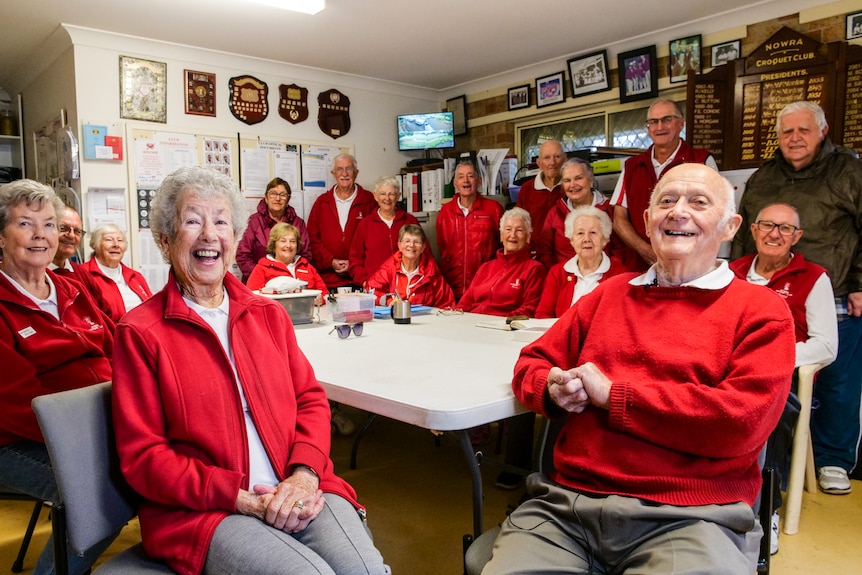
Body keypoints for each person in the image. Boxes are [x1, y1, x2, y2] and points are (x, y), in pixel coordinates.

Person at [482, 164, 796, 575]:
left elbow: (741, 422)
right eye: (666, 201)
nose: (678, 212)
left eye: (698, 202)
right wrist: (550, 388)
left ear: (730, 226)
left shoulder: (762, 311)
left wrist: (614, 396)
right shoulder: (607, 296)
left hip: (693, 517)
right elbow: (531, 363)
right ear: (647, 222)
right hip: (568, 506)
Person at [112, 166, 388, 575]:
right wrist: (240, 497)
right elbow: (145, 458)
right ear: (165, 239)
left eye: (221, 221)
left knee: (365, 571)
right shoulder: (140, 332)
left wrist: (305, 475)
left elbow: (310, 400)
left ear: (236, 237)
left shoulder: (268, 314)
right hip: (207, 512)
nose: (209, 234)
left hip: (298, 485)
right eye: (192, 221)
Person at [731, 100, 862, 494]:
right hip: (767, 287)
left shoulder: (850, 171)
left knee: (835, 382)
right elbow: (742, 236)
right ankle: (766, 459)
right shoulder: (764, 176)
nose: (795, 138)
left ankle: (832, 461)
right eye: (787, 131)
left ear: (822, 131)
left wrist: (860, 281)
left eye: (803, 130)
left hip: (835, 287)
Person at [0, 179, 116, 575]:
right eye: (25, 224)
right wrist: (101, 433)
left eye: (49, 224)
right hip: (19, 440)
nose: (40, 236)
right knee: (100, 492)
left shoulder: (71, 289)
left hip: (99, 426)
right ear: (1, 237)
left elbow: (116, 350)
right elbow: (16, 401)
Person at [729, 202, 838, 554]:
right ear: (753, 230)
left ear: (797, 237)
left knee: (771, 410)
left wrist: (773, 358)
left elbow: (826, 346)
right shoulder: (731, 272)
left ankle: (764, 511)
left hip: (781, 377)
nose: (775, 234)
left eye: (785, 228)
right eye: (767, 225)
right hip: (727, 372)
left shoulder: (813, 277)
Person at [611, 99, 717, 271]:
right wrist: (643, 249)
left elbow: (715, 215)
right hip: (639, 267)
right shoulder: (632, 166)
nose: (659, 127)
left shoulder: (702, 160)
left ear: (681, 123)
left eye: (667, 119)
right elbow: (619, 218)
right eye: (653, 122)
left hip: (689, 266)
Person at [535, 206, 627, 319]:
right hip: (562, 335)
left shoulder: (619, 274)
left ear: (604, 239)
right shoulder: (558, 273)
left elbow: (621, 318)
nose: (586, 239)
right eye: (580, 233)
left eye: (593, 232)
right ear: (571, 240)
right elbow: (543, 314)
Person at [457, 207, 544, 317]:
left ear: (528, 237)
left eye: (519, 230)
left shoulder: (534, 269)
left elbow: (529, 308)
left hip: (504, 327)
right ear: (501, 235)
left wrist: (503, 322)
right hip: (473, 323)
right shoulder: (485, 267)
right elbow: (465, 303)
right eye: (508, 229)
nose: (513, 235)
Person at [307, 153, 376, 290]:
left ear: (356, 173)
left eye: (349, 169)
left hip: (361, 279)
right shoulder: (322, 203)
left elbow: (375, 239)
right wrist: (331, 261)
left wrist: (354, 264)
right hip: (328, 282)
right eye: (339, 169)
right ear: (333, 173)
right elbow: (312, 239)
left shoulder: (369, 201)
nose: (344, 173)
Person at [436, 161, 504, 300]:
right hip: (452, 287)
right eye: (461, 176)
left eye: (470, 176)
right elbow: (443, 248)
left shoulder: (494, 209)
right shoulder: (445, 212)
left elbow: (502, 246)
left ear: (479, 180)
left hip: (486, 284)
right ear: (455, 183)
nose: (466, 180)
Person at [535, 158, 615, 269]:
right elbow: (544, 253)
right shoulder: (555, 213)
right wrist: (558, 276)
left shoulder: (610, 210)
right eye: (567, 180)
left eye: (578, 178)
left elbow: (620, 252)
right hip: (564, 280)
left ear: (591, 180)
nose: (572, 185)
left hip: (604, 280)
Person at [236, 177, 311, 283]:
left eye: (282, 195)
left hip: (291, 283)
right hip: (260, 283)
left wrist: (292, 278)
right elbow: (243, 256)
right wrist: (264, 277)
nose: (277, 198)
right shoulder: (253, 222)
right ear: (266, 198)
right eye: (273, 194)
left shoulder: (298, 223)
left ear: (288, 199)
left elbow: (306, 256)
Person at [349, 176, 419, 287]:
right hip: (375, 287)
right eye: (382, 194)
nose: (387, 198)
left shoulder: (410, 221)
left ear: (398, 197)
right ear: (375, 196)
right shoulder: (365, 225)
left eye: (391, 194)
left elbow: (423, 254)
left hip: (406, 287)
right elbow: (355, 260)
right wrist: (365, 282)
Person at [366, 224, 454, 308]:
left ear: (423, 247)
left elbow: (447, 305)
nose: (411, 245)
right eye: (407, 241)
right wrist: (388, 301)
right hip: (393, 321)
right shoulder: (388, 269)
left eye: (416, 242)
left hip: (425, 321)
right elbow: (371, 291)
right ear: (399, 246)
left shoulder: (432, 274)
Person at [80, 223, 153, 322]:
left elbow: (152, 309)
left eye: (120, 240)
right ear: (95, 245)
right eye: (109, 240)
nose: (116, 245)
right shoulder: (82, 274)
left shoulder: (136, 276)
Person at [246, 222, 327, 302]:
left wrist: (321, 299)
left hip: (307, 313)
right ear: (274, 245)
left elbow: (324, 293)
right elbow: (252, 299)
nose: (288, 245)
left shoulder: (307, 267)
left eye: (292, 241)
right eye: (283, 241)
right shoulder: (262, 269)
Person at [48, 205, 104, 298]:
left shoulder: (83, 275)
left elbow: (104, 311)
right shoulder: (35, 274)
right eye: (63, 228)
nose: (71, 235)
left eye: (77, 231)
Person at [516, 140, 565, 239]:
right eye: (547, 158)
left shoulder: (571, 188)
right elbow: (519, 224)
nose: (552, 162)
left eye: (557, 156)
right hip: (535, 251)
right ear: (539, 163)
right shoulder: (527, 189)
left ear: (565, 159)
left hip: (565, 251)